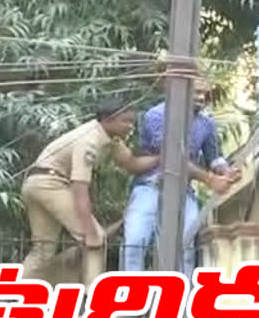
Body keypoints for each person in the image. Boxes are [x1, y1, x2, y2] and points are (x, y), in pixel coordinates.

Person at [20, 99, 159, 288]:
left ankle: (16, 293)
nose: (130, 126)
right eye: (125, 121)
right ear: (108, 119)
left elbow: (132, 164)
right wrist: (89, 230)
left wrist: (163, 158)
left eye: (132, 122)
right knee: (94, 239)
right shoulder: (89, 140)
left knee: (43, 249)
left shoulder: (109, 139)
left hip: (35, 183)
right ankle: (92, 295)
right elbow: (79, 187)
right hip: (51, 184)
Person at [119, 73, 241, 279]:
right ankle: (128, 300)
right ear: (180, 90)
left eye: (205, 93)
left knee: (186, 247)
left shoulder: (207, 123)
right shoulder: (156, 116)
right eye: (197, 92)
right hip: (150, 186)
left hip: (183, 190)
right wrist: (210, 180)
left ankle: (181, 302)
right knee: (134, 242)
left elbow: (214, 157)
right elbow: (172, 157)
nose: (202, 97)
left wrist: (225, 170)